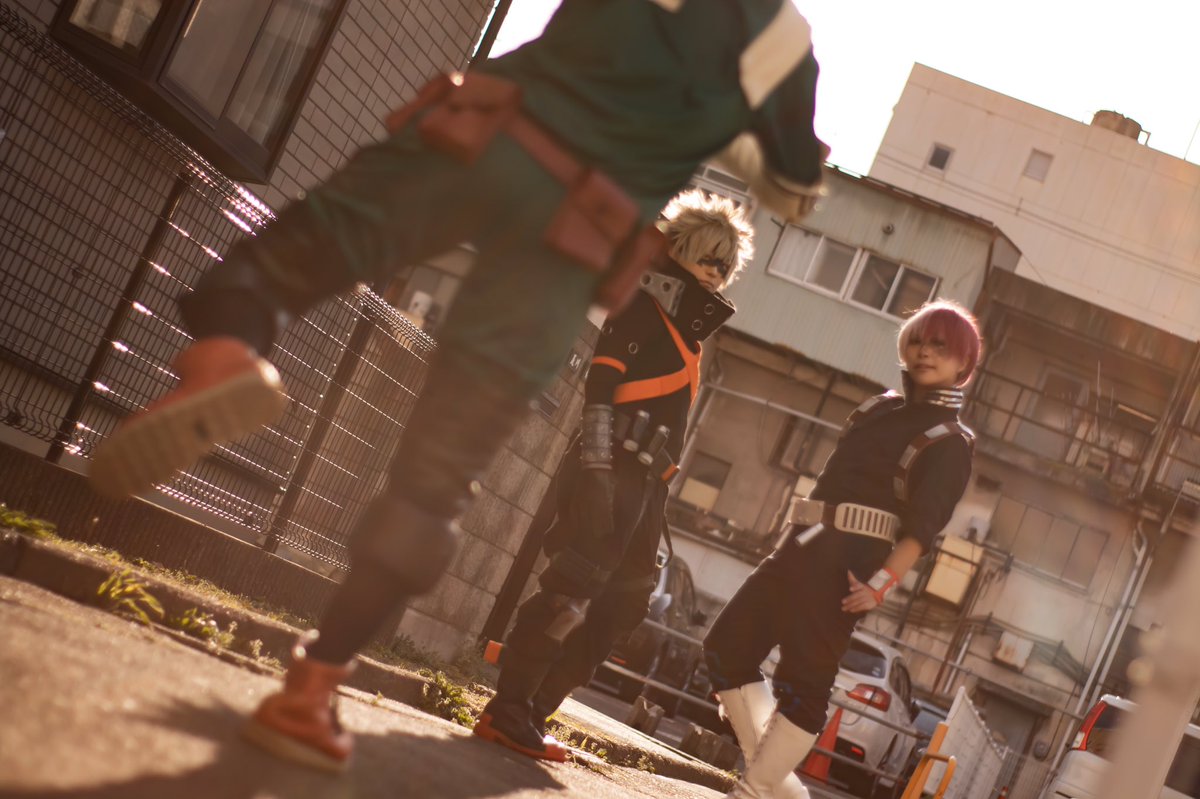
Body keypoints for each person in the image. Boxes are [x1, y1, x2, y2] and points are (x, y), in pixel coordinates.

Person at [90, 0, 828, 773]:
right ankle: (310, 688)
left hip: (489, 128)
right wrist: (725, 117)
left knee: (317, 240)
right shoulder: (778, 38)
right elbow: (794, 187)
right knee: (439, 474)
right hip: (576, 224)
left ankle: (228, 350)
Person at [474, 190, 752, 760]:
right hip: (607, 468)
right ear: (679, 248)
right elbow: (598, 389)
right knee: (569, 590)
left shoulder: (690, 335)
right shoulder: (641, 307)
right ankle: (507, 711)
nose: (715, 270)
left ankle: (532, 713)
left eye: (725, 263)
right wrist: (597, 468)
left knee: (626, 603)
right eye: (706, 255)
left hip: (646, 487)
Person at [704, 301, 981, 799]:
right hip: (801, 544)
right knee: (727, 647)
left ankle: (757, 788)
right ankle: (777, 786)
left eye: (941, 346)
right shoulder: (878, 408)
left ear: (964, 362)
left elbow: (922, 530)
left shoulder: (951, 442)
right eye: (918, 340)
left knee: (804, 683)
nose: (925, 352)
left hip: (850, 566)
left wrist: (880, 586)